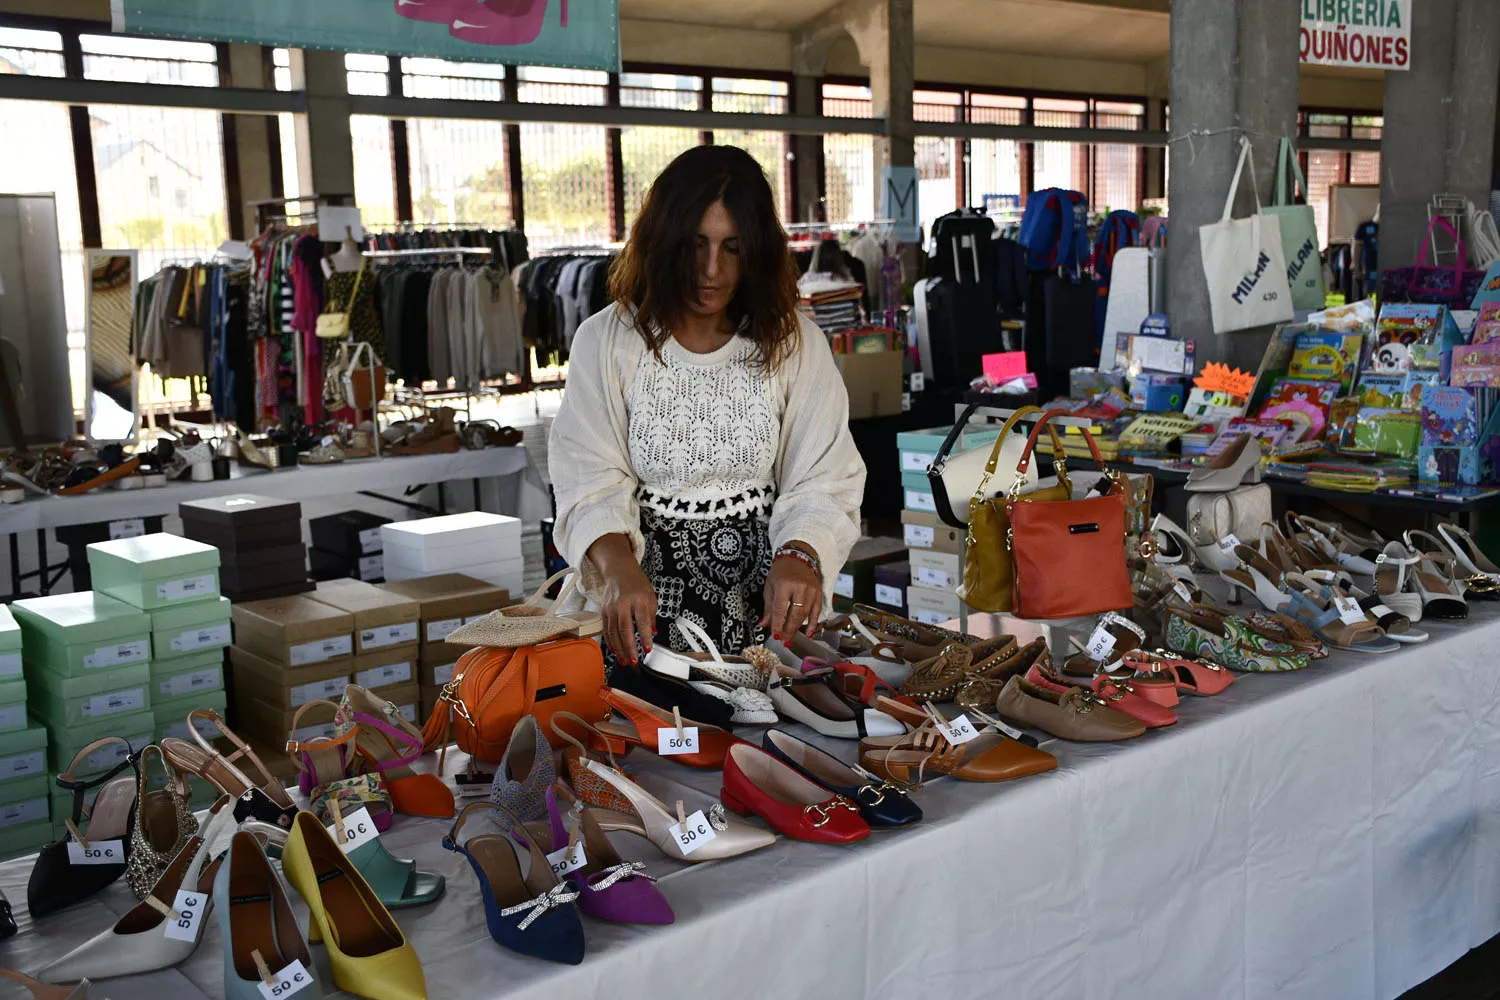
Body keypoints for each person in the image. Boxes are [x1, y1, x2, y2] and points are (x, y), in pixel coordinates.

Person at [549, 144, 866, 670]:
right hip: (638, 618)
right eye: (695, 245)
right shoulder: (608, 342)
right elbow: (587, 475)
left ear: (758, 251)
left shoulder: (795, 345)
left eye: (732, 247)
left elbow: (824, 475)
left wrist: (801, 555)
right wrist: (618, 567)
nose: (711, 269)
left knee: (766, 744)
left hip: (767, 618)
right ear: (663, 242)